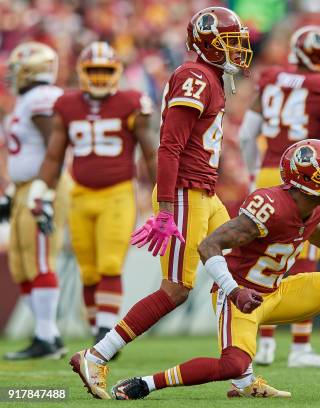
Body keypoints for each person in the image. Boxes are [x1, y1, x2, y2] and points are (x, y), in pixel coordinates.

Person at [110, 139, 320, 400]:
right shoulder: (270, 206)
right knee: (233, 365)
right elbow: (209, 245)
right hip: (240, 296)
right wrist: (234, 291)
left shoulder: (316, 206)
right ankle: (145, 383)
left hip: (276, 291)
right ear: (305, 177)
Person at [69, 7, 256, 399]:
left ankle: (243, 375)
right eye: (230, 42)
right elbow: (169, 146)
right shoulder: (194, 76)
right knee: (176, 288)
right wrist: (167, 208)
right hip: (186, 192)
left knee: (238, 257)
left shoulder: (213, 78)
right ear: (206, 44)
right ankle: (97, 355)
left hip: (204, 190)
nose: (238, 50)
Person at [27, 41, 156, 349]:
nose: (99, 77)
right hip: (80, 194)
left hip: (118, 193)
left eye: (105, 71)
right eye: (93, 71)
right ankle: (97, 329)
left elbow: (151, 154)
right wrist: (40, 188)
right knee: (87, 270)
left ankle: (105, 331)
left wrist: (161, 194)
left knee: (110, 263)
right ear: (82, 72)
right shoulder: (67, 105)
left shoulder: (132, 102)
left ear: (117, 72)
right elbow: (54, 156)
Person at [238, 25, 320, 368]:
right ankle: (300, 347)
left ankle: (267, 344)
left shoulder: (271, 76)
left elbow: (246, 135)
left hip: (270, 173)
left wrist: (250, 175)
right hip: (309, 179)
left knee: (266, 257)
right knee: (303, 261)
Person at [1, 42, 68, 360]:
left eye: (17, 68)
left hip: (43, 185)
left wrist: (47, 192)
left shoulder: (42, 98)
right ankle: (49, 335)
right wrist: (13, 192)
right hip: (26, 187)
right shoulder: (27, 100)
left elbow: (53, 149)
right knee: (21, 263)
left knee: (40, 259)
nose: (13, 75)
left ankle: (46, 337)